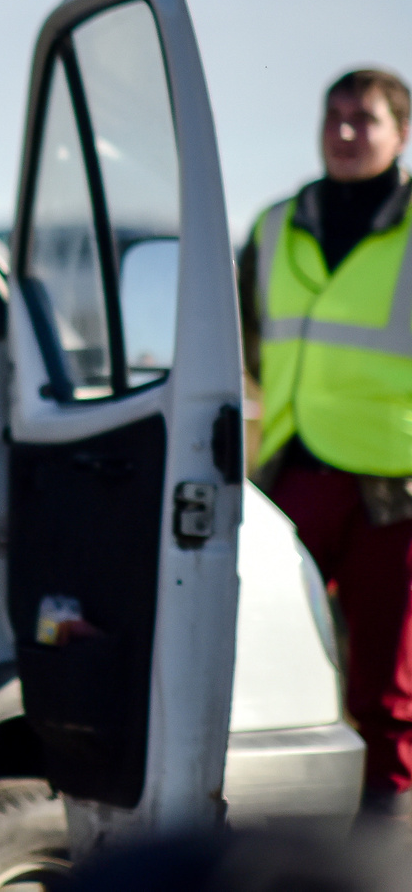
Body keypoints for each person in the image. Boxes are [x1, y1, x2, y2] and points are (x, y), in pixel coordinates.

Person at [246, 66, 412, 814]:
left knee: (387, 696)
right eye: (335, 115)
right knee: (263, 673)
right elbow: (245, 339)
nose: (346, 132)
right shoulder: (276, 223)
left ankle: (384, 852)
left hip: (395, 493)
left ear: (400, 134)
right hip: (294, 476)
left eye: (365, 119)